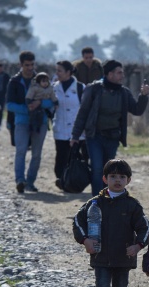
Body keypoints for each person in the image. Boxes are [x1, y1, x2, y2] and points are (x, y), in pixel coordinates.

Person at [72, 159, 149, 287]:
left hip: (123, 258)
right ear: (104, 179)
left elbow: (146, 228)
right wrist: (85, 240)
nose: (117, 180)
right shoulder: (94, 204)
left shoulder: (132, 205)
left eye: (122, 177)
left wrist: (138, 246)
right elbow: (77, 222)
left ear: (129, 180)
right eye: (113, 176)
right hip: (101, 257)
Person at [70, 59, 149, 196]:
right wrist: (75, 136)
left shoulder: (124, 92)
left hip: (112, 137)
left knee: (109, 171)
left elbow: (137, 110)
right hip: (94, 136)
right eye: (119, 73)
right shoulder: (94, 89)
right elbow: (83, 113)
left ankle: (106, 199)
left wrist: (143, 96)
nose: (122, 76)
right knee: (97, 168)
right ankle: (96, 201)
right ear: (109, 74)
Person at [6, 51, 55, 193]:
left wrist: (39, 103)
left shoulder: (42, 79)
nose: (30, 67)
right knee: (20, 151)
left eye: (32, 64)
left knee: (37, 154)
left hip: (40, 122)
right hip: (21, 121)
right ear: (21, 65)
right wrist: (27, 109)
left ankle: (30, 182)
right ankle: (20, 180)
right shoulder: (14, 82)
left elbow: (51, 101)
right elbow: (9, 105)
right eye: (27, 65)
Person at [53, 60, 86, 190]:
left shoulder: (80, 88)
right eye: (56, 71)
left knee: (75, 159)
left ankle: (74, 183)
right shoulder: (53, 87)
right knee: (60, 158)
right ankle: (62, 181)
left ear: (68, 72)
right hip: (60, 129)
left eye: (59, 71)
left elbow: (85, 109)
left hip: (76, 131)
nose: (57, 73)